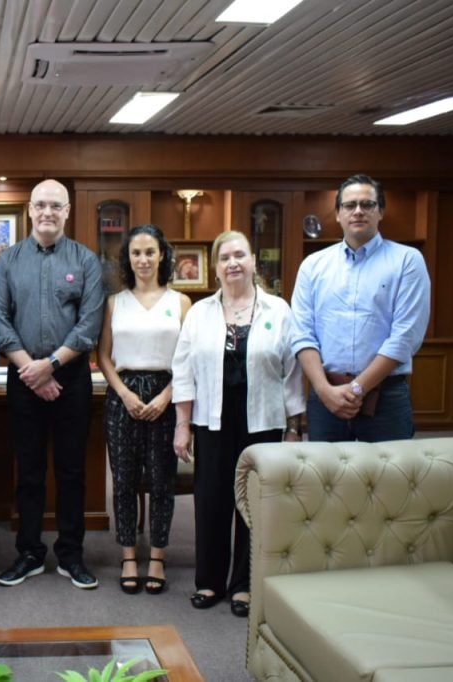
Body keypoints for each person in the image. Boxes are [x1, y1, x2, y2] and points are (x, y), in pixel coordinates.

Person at [171, 230, 304, 617]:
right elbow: (183, 371)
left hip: (263, 421)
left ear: (253, 262)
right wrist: (182, 424)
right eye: (225, 257)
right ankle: (209, 580)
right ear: (216, 268)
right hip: (211, 420)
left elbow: (293, 374)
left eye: (240, 255)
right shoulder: (200, 313)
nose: (233, 263)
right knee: (211, 501)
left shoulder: (278, 310)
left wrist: (294, 427)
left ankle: (244, 584)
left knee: (255, 503)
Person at [0, 179, 105, 589]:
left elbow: (89, 325)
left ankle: (71, 554)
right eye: (40, 205)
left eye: (56, 205)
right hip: (24, 378)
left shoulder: (86, 261)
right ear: (30, 209)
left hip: (71, 378)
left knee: (72, 470)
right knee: (29, 471)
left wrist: (51, 366)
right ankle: (29, 553)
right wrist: (32, 371)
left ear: (67, 211)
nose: (47, 212)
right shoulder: (8, 261)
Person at [291, 174, 431, 442]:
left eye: (367, 204)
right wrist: (324, 390)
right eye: (349, 205)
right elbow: (301, 333)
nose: (358, 211)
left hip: (386, 396)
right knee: (324, 469)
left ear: (381, 212)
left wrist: (357, 388)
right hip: (326, 394)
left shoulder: (407, 261)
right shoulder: (313, 265)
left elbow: (405, 337)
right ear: (338, 214)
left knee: (390, 469)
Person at [97, 225, 190, 596]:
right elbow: (104, 356)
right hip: (124, 396)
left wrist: (167, 396)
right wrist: (124, 393)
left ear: (161, 254)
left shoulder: (180, 302)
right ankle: (128, 556)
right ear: (128, 258)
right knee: (123, 481)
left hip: (166, 392)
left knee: (162, 481)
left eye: (150, 252)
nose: (143, 259)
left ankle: (157, 558)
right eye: (136, 253)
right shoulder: (115, 303)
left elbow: (188, 358)